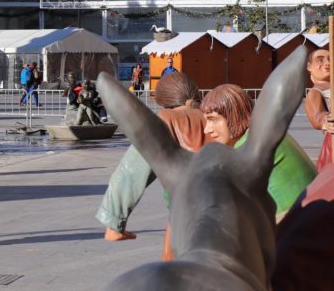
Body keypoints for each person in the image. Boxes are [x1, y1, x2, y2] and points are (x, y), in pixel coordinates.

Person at [96, 72, 207, 241]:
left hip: (186, 217)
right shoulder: (215, 116)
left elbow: (129, 174)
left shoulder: (165, 121)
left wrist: (114, 222)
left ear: (164, 100)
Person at [201, 83, 317, 218]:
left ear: (235, 115)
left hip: (293, 217)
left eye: (213, 120)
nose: (206, 129)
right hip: (307, 208)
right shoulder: (262, 131)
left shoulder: (249, 145)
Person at [303, 48, 334, 170]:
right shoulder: (315, 92)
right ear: (309, 66)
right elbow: (317, 115)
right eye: (320, 60)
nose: (327, 63)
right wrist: (325, 121)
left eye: (330, 60)